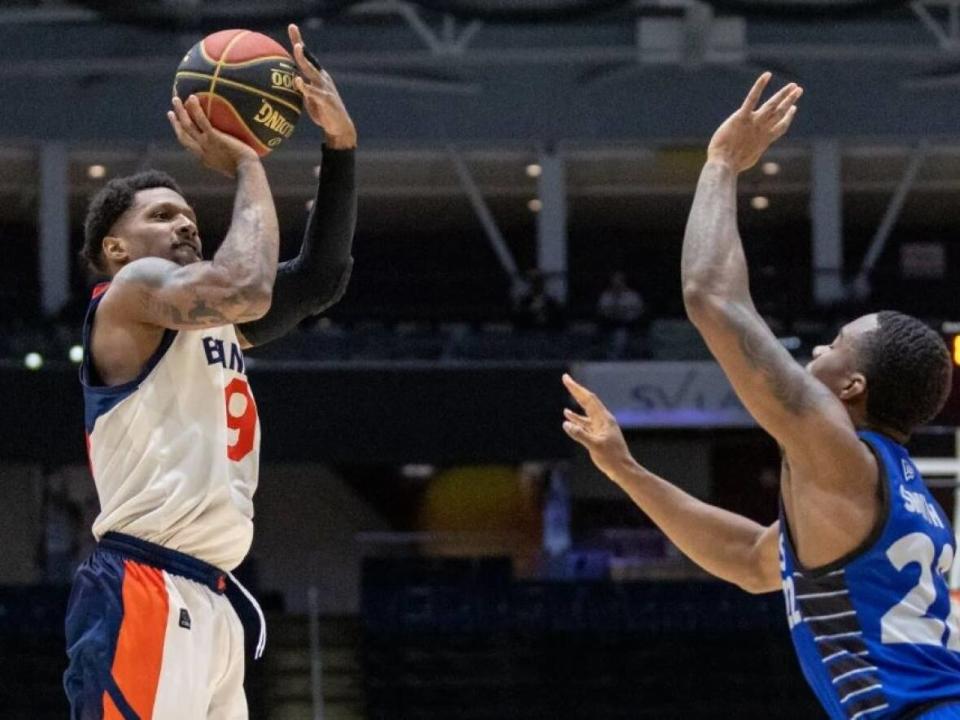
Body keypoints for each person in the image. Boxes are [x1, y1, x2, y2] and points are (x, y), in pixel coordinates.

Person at [562, 73, 960, 720]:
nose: (815, 353)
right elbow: (750, 561)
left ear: (853, 388)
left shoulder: (840, 453)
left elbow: (712, 299)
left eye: (834, 346)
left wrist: (721, 163)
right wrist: (627, 471)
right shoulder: (879, 483)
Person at [63, 24, 357, 719]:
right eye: (163, 216)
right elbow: (249, 287)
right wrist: (251, 163)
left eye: (191, 215)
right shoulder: (131, 294)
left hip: (214, 598)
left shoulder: (207, 317)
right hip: (145, 582)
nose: (186, 226)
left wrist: (340, 146)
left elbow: (316, 282)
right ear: (115, 247)